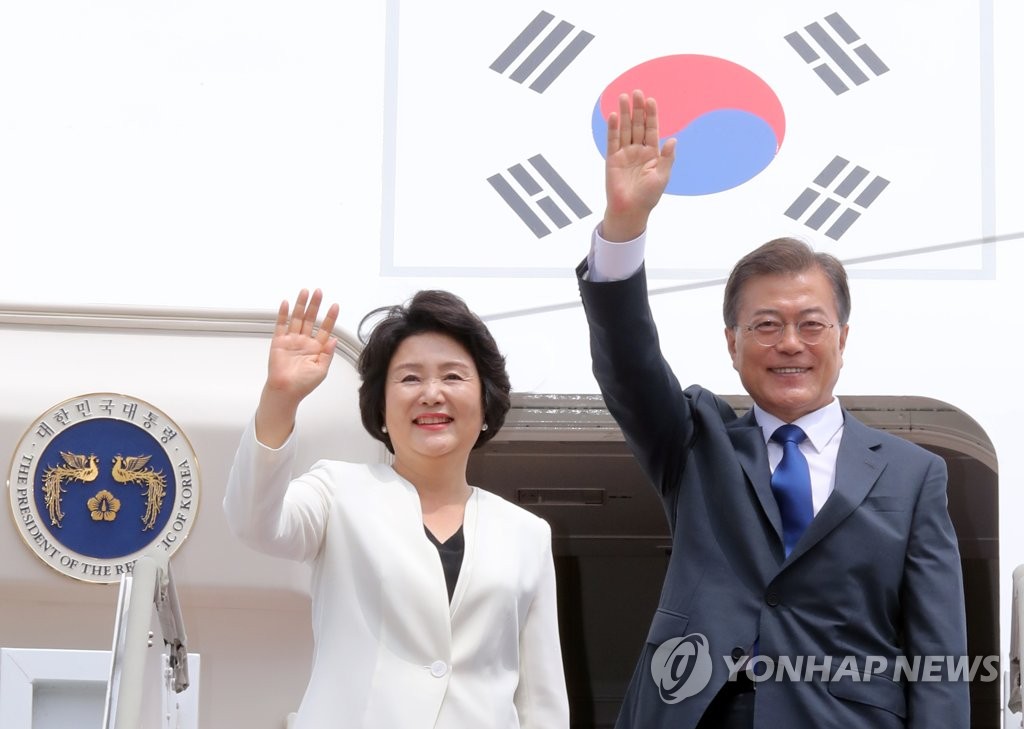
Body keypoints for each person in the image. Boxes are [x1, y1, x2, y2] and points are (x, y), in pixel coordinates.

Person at [576, 90, 969, 728]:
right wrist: (624, 226)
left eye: (811, 324)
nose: (790, 343)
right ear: (731, 343)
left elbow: (939, 652)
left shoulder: (913, 475)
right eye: (765, 325)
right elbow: (628, 363)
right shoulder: (695, 444)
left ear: (842, 338)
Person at [223, 288, 570, 729]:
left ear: (486, 403)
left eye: (453, 377)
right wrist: (280, 398)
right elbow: (253, 522)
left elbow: (542, 700)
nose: (432, 394)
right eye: (409, 379)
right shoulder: (337, 492)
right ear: (382, 410)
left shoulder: (527, 533)